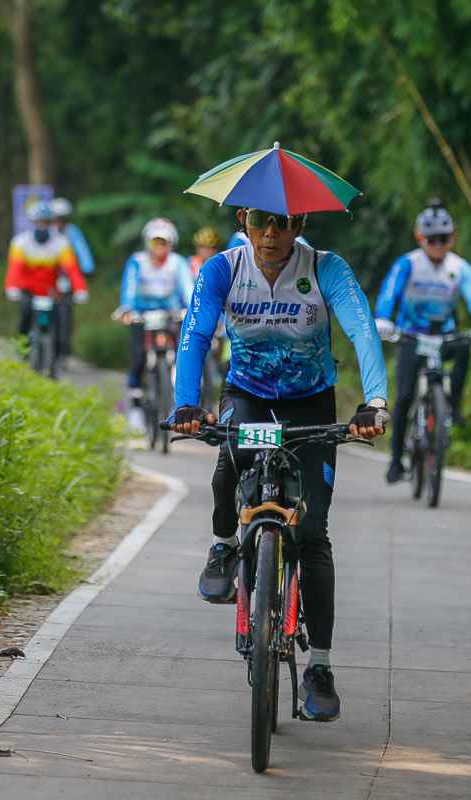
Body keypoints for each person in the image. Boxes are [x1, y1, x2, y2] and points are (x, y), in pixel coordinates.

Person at [170, 206, 390, 723]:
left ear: (301, 227)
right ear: (244, 220)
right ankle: (225, 548)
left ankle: (319, 667)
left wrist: (374, 403)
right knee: (229, 460)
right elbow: (196, 335)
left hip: (311, 403)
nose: (272, 234)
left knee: (312, 532)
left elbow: (363, 331)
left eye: (285, 223)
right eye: (262, 222)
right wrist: (186, 402)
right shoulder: (222, 268)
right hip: (246, 395)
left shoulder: (326, 268)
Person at [373, 200, 471, 484]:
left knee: (465, 347)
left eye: (443, 239)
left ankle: (453, 405)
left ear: (452, 237)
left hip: (444, 336)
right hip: (412, 336)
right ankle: (395, 461)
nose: (438, 246)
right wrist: (382, 318)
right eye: (431, 240)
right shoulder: (408, 263)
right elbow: (389, 292)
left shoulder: (459, 267)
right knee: (404, 395)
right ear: (420, 238)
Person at [115, 218, 194, 432]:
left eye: (165, 243)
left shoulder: (178, 262)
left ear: (172, 245)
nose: (160, 248)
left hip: (169, 314)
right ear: (147, 243)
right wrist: (127, 309)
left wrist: (191, 308)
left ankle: (177, 395)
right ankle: (136, 408)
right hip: (141, 314)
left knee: (182, 353)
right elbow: (129, 288)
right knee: (138, 358)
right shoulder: (137, 261)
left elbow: (188, 288)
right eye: (155, 243)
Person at [4, 200, 89, 340]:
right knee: (25, 317)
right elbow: (14, 270)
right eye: (39, 222)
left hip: (51, 292)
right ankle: (22, 350)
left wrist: (81, 289)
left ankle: (59, 354)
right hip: (28, 292)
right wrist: (11, 287)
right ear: (33, 222)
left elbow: (72, 269)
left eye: (46, 222)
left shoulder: (61, 243)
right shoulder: (20, 243)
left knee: (59, 322)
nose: (42, 226)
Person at [48, 197, 94, 358]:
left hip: (66, 277)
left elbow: (83, 252)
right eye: (56, 219)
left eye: (62, 219)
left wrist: (87, 268)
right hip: (47, 277)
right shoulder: (46, 233)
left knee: (66, 310)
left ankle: (64, 345)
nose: (59, 223)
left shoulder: (73, 232)